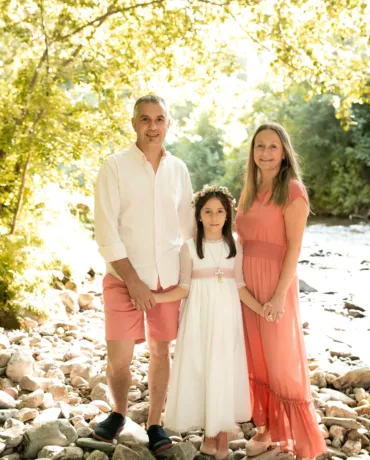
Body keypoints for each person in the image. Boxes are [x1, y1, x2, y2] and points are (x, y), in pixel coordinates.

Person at [92, 95, 194, 454]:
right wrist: (133, 281)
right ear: (134, 124)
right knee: (119, 358)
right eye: (145, 119)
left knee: (160, 351)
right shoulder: (115, 167)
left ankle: (154, 422)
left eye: (160, 119)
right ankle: (118, 412)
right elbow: (106, 230)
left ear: (169, 124)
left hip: (167, 279)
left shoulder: (179, 170)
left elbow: (188, 231)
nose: (153, 126)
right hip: (123, 280)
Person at [152, 185, 265, 460]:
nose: (214, 217)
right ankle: (209, 437)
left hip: (227, 318)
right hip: (199, 318)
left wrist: (263, 309)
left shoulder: (234, 246)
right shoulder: (189, 248)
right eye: (208, 211)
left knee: (224, 368)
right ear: (199, 216)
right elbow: (183, 288)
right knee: (202, 367)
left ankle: (221, 438)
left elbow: (240, 286)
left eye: (220, 211)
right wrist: (155, 297)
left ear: (227, 216)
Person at [235, 122, 327, 458]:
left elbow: (294, 248)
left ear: (284, 150)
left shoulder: (292, 190)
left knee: (281, 358)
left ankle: (302, 439)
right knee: (256, 354)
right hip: (245, 283)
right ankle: (266, 426)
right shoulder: (249, 189)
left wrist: (277, 295)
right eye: (260, 146)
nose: (266, 153)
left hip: (275, 281)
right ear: (253, 152)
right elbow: (241, 239)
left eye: (273, 146)